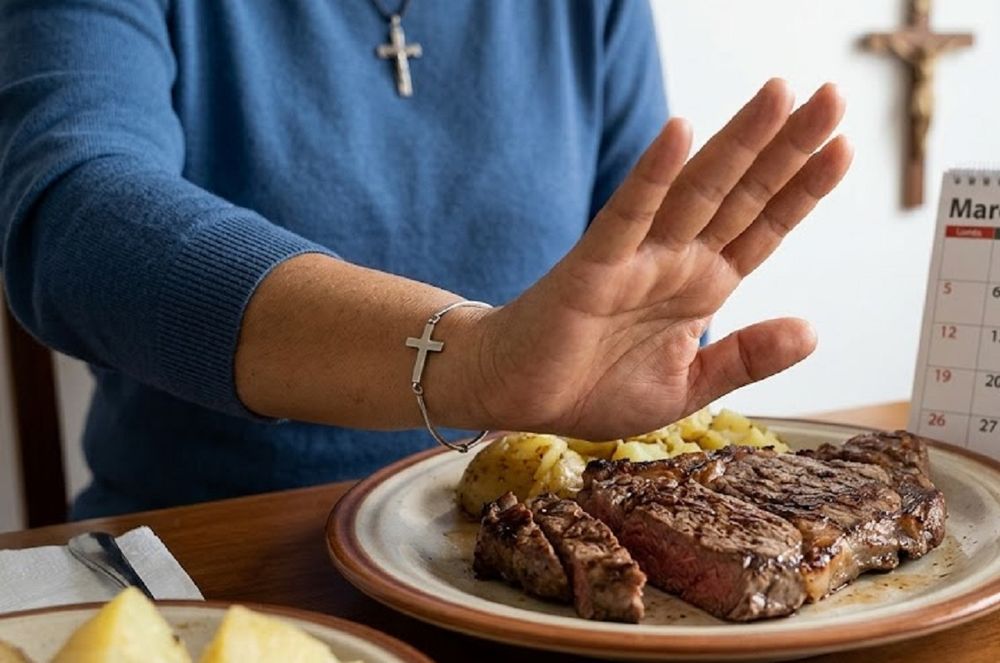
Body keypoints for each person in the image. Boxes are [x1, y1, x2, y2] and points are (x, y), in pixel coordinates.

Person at [0, 0, 851, 519]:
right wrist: (474, 361)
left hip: (524, 561)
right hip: (214, 553)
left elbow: (643, 274)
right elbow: (71, 214)